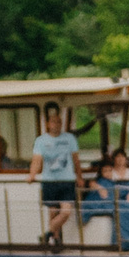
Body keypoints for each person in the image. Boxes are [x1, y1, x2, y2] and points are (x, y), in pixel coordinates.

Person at [32, 105, 81, 248]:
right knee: (52, 211)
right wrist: (32, 174)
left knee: (65, 212)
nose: (56, 125)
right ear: (48, 124)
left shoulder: (69, 138)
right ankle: (56, 239)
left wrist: (79, 176)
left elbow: (75, 159)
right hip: (49, 181)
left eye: (59, 122)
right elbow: (37, 159)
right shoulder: (41, 140)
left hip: (67, 180)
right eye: (53, 122)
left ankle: (48, 232)